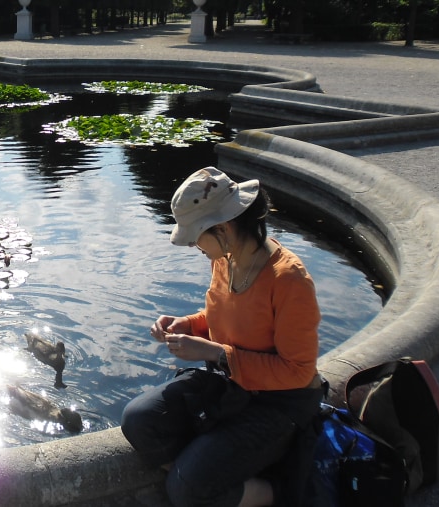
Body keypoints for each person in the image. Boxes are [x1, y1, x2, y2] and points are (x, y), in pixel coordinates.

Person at [120, 167, 325, 507]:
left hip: (278, 404)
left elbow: (298, 372)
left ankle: (281, 490)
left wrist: (216, 354)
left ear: (224, 228)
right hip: (230, 386)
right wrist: (187, 324)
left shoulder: (289, 280)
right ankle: (207, 469)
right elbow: (220, 317)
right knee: (138, 421)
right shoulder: (224, 258)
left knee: (184, 488)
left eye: (196, 235)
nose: (191, 245)